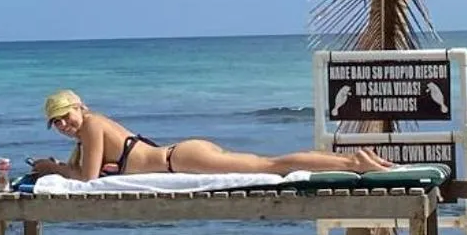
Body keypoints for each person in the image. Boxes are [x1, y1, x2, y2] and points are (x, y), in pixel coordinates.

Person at [28, 89, 393, 180]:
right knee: (270, 163)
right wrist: (61, 166)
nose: (63, 124)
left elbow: (88, 179)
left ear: (80, 107)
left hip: (180, 159)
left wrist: (52, 168)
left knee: (271, 166)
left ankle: (353, 163)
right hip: (182, 156)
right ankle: (353, 160)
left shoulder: (92, 125)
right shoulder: (89, 134)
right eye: (55, 123)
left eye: (65, 116)